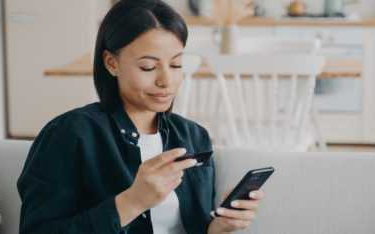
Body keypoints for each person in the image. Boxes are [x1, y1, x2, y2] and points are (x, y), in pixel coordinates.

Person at [17, 0, 264, 233]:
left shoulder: (194, 136)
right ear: (111, 63)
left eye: (176, 65)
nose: (166, 80)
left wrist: (220, 227)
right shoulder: (69, 134)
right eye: (148, 67)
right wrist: (132, 202)